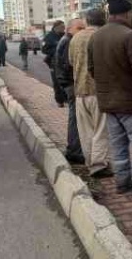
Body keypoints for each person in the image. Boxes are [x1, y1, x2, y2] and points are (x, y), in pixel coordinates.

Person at [88, 0, 132, 199]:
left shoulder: (96, 36)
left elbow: (92, 69)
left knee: (118, 145)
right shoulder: (129, 35)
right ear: (127, 14)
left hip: (109, 103)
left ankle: (122, 183)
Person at [69, 9, 112, 177]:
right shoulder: (103, 36)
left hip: (80, 91)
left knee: (85, 131)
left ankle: (90, 163)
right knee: (101, 130)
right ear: (104, 20)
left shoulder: (75, 38)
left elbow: (71, 62)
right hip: (99, 91)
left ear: (87, 20)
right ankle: (99, 165)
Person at [55, 19, 87, 165]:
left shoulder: (66, 39)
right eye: (79, 28)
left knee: (75, 117)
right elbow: (69, 65)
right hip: (71, 84)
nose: (82, 31)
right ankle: (74, 151)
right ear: (69, 29)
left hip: (67, 83)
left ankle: (74, 149)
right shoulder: (69, 41)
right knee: (75, 118)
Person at [43, 20, 68, 107]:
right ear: (56, 27)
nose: (64, 29)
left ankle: (66, 98)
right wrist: (57, 51)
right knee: (56, 82)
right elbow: (44, 50)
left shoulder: (65, 35)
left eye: (64, 27)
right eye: (62, 27)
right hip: (54, 62)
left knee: (66, 81)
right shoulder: (49, 37)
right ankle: (59, 101)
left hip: (64, 62)